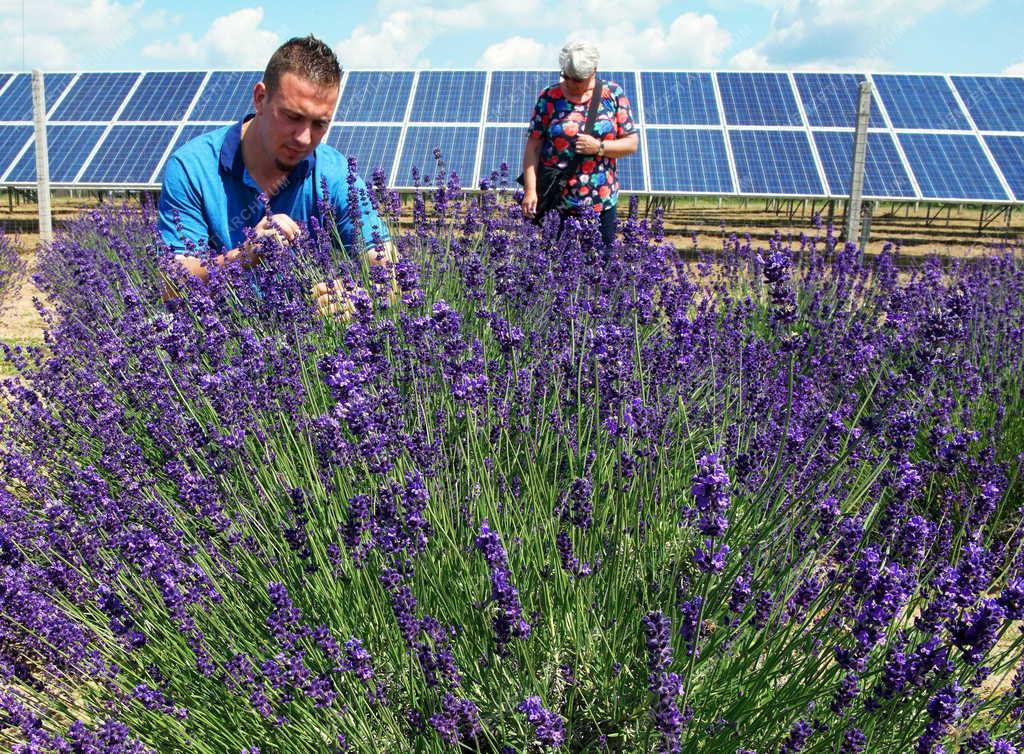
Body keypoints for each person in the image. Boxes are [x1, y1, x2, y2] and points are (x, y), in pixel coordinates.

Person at [157, 35, 393, 313]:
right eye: (292, 117)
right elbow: (172, 285)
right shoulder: (191, 169)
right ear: (260, 98)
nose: (304, 138)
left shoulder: (335, 173)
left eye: (319, 123)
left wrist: (360, 297)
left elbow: (389, 267)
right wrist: (245, 255)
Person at [520, 40, 638, 247]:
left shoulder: (613, 95)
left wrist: (599, 147)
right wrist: (530, 190)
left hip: (601, 202)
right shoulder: (550, 97)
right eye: (567, 76)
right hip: (557, 202)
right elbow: (533, 147)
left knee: (602, 268)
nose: (571, 83)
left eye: (578, 79)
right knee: (552, 266)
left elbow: (631, 143)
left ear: (594, 71)